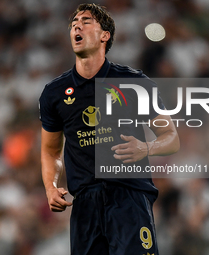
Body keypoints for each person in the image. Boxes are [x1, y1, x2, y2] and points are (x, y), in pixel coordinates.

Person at [39, 3, 180, 255]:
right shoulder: (54, 93)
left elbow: (171, 137)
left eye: (86, 21)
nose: (76, 26)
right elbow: (50, 150)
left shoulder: (134, 83)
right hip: (84, 205)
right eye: (73, 24)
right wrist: (51, 186)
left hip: (129, 198)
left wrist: (146, 147)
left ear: (105, 35)